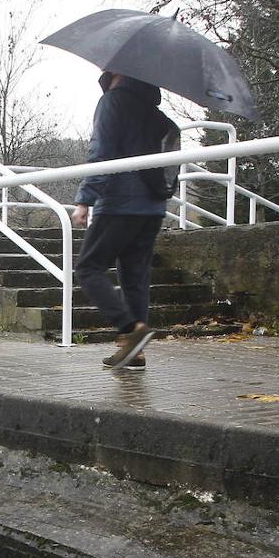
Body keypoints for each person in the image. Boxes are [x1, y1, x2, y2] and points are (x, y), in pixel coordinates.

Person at [71, 71, 177, 371]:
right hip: (153, 207)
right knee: (134, 278)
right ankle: (134, 354)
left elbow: (101, 152)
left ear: (116, 73)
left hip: (120, 202)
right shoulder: (157, 115)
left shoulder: (112, 102)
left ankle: (130, 329)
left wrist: (84, 199)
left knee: (88, 267)